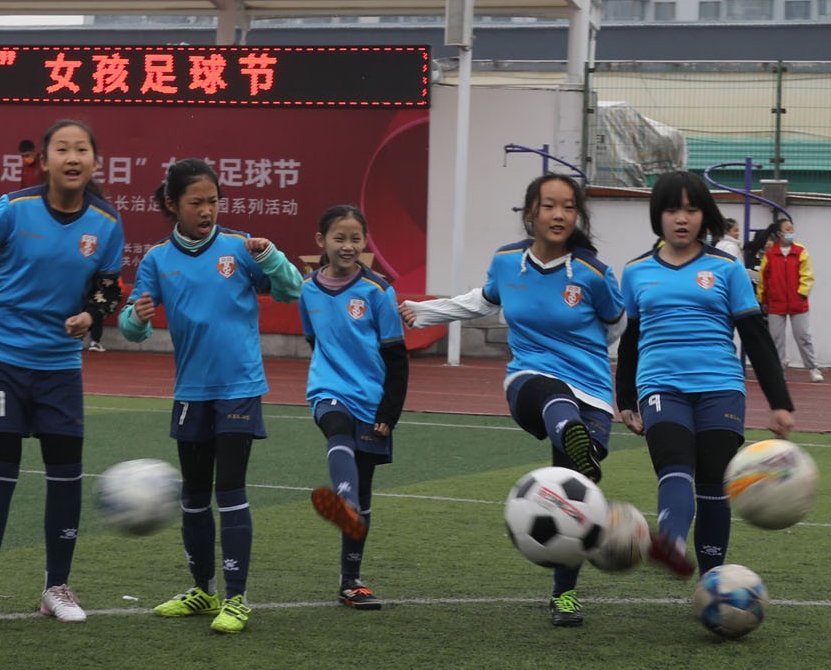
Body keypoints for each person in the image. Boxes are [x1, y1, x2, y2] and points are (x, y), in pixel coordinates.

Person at [401, 172, 622, 627]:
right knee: (554, 398)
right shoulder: (507, 262)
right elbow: (480, 301)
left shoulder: (594, 273)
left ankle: (564, 596)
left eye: (568, 206)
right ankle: (569, 430)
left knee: (574, 496)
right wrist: (425, 312)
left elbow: (617, 325)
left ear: (577, 215)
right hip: (531, 381)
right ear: (530, 214)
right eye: (549, 205)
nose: (559, 214)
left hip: (594, 389)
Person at [0, 118, 124, 625]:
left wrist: (92, 315)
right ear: (44, 161)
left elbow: (108, 286)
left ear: (95, 162)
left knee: (65, 473)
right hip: (2, 357)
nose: (72, 158)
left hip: (59, 365)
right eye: (62, 149)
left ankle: (56, 588)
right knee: (0, 468)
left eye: (82, 150)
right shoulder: (14, 208)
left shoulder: (106, 222)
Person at [121, 158, 304, 634]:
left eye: (214, 201)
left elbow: (291, 290)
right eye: (196, 202)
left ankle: (237, 597)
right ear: (172, 205)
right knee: (194, 496)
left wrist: (272, 257)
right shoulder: (157, 260)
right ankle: (203, 590)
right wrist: (138, 316)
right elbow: (130, 327)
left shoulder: (241, 248)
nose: (207, 211)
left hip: (239, 388)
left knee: (231, 490)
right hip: (190, 393)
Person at [615, 171, 796, 579]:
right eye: (672, 209)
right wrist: (625, 399)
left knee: (714, 481)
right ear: (657, 216)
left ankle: (712, 581)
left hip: (720, 387)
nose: (682, 218)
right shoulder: (636, 270)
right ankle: (673, 544)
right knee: (675, 462)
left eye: (692, 209)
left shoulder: (727, 268)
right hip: (660, 385)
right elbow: (632, 338)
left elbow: (755, 335)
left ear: (705, 215)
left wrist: (780, 403)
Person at [298, 204, 407, 609]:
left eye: (355, 239)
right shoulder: (308, 289)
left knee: (365, 493)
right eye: (339, 238)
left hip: (372, 399)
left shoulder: (378, 291)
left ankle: (351, 581)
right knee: (335, 427)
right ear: (320, 242)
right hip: (328, 389)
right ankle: (342, 500)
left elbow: (396, 359)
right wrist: (329, 373)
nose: (348, 246)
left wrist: (388, 414)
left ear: (365, 242)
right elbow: (314, 340)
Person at [757, 216, 824, 384]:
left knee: (803, 336)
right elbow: (763, 279)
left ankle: (813, 367)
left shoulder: (800, 251)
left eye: (792, 229)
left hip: (797, 303)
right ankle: (779, 370)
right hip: (775, 303)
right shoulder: (771, 254)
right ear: (779, 233)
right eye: (787, 229)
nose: (791, 232)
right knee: (776, 338)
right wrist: (763, 300)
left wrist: (802, 293)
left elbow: (808, 275)